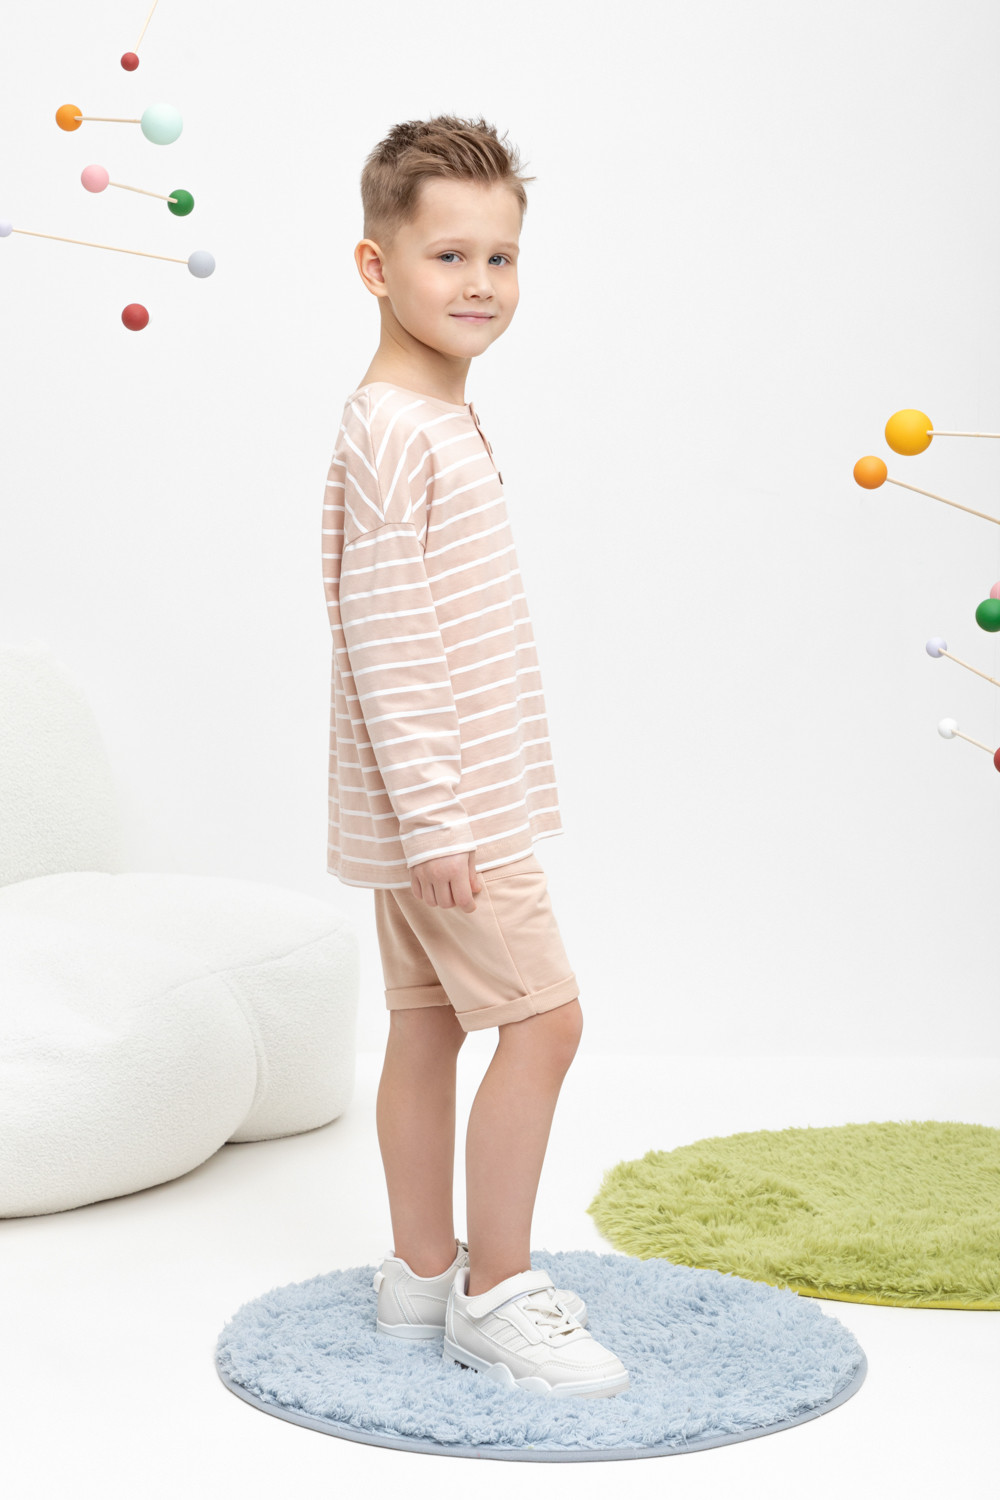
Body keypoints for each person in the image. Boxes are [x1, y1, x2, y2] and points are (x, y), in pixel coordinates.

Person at [320, 114, 628, 1400]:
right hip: (453, 811)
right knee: (546, 1022)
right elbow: (390, 640)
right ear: (376, 266)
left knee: (429, 1021)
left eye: (500, 258)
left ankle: (417, 1275)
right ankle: (496, 1291)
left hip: (423, 808)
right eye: (449, 256)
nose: (481, 284)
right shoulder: (401, 432)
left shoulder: (421, 419)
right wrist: (442, 819)